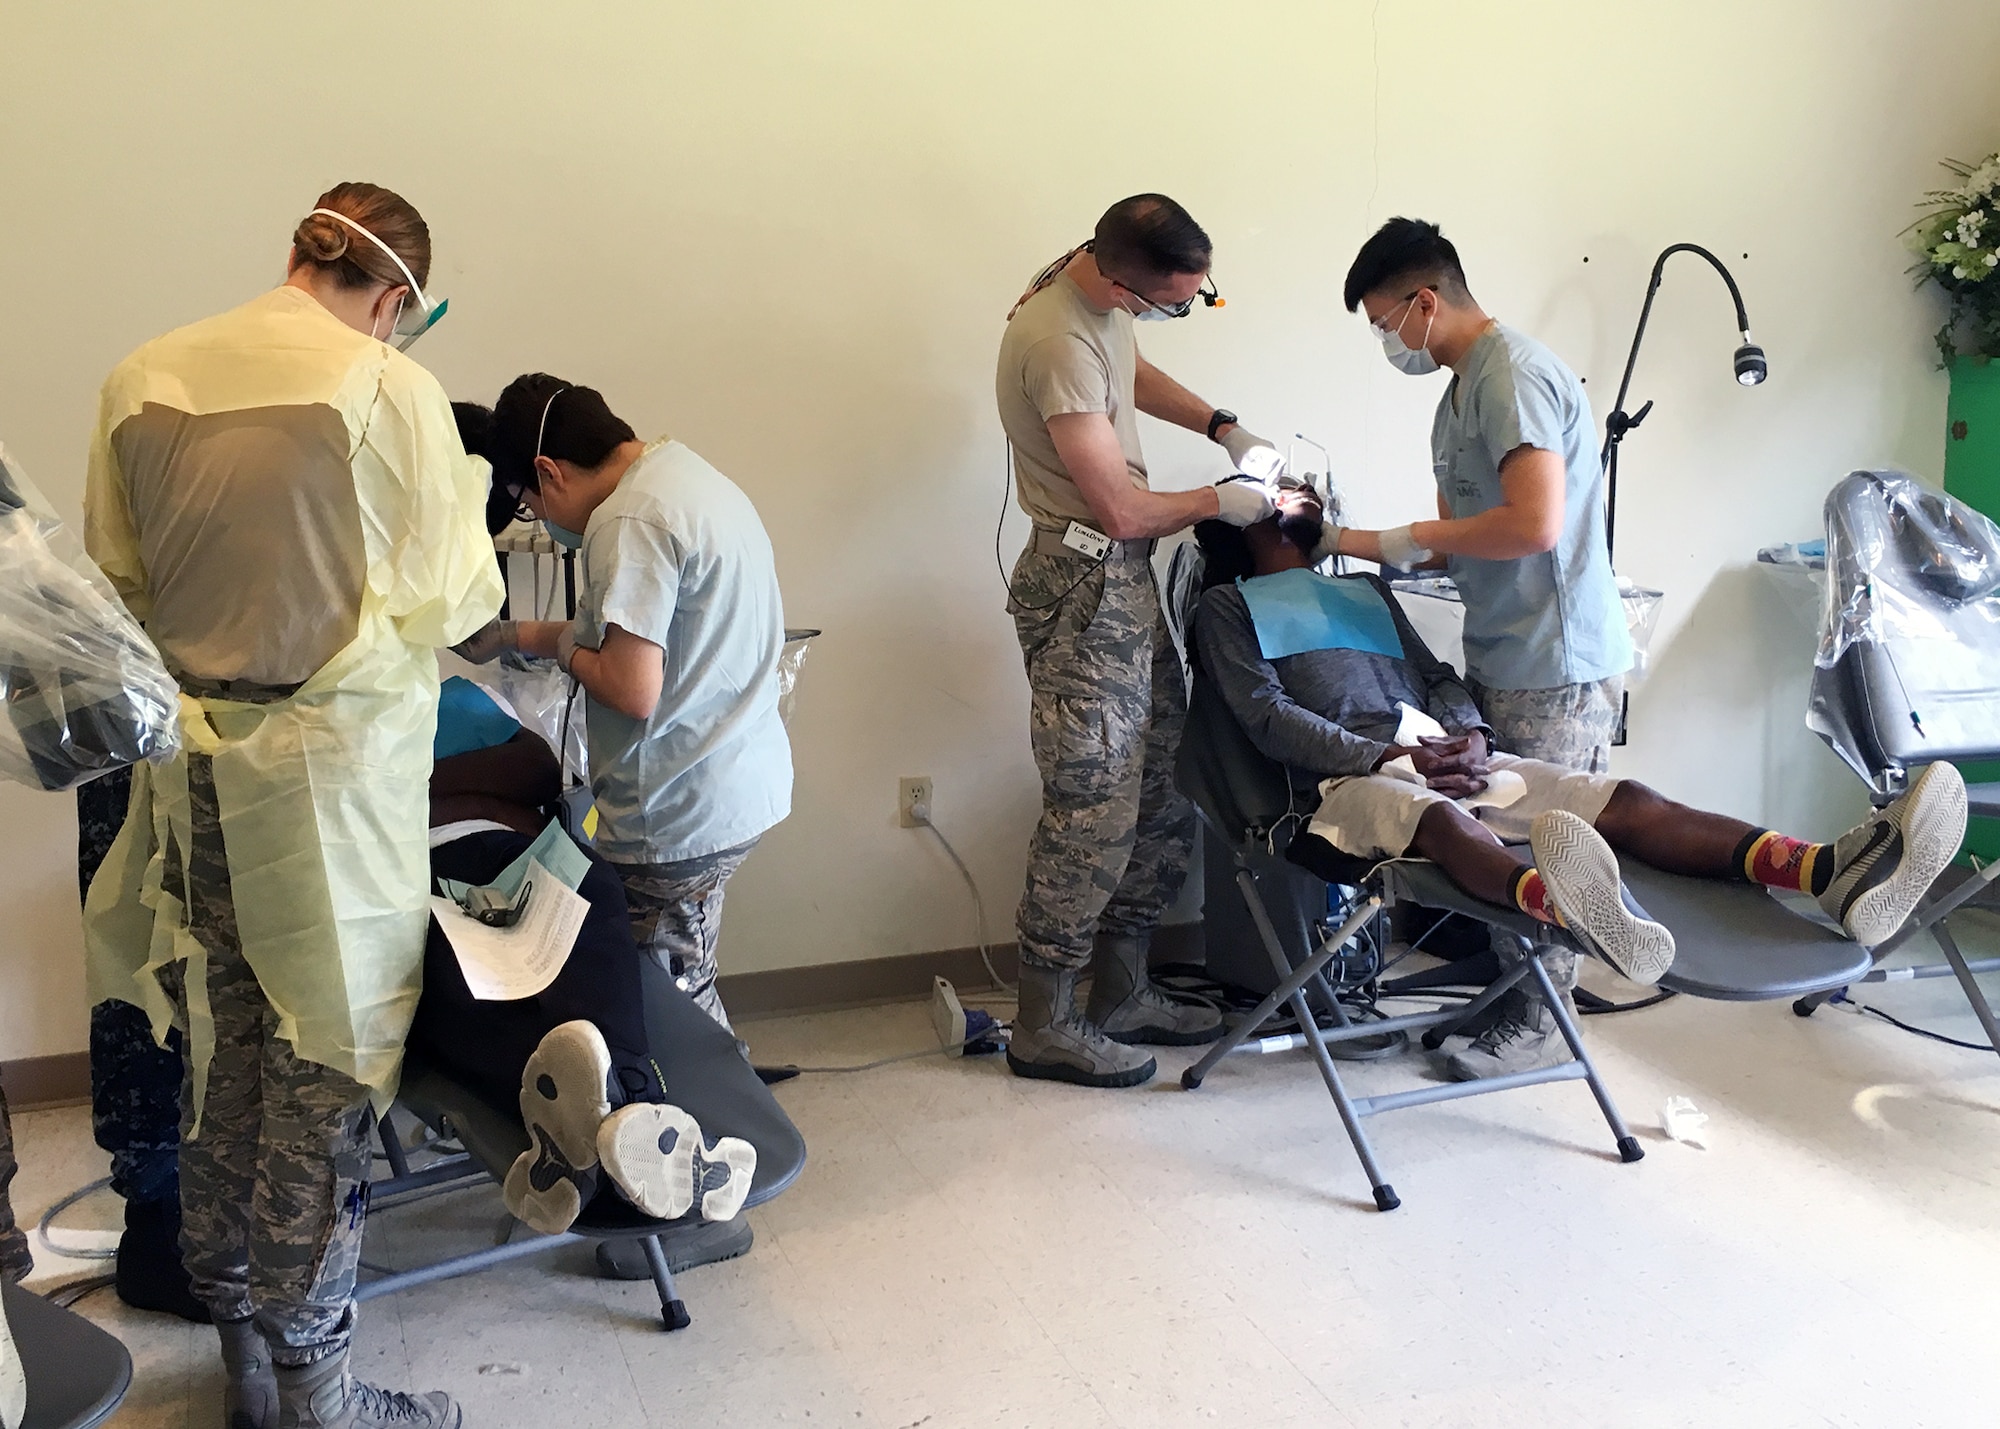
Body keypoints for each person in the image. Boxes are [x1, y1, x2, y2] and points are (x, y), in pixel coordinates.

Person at [82, 183, 502, 1429]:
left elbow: (115, 586)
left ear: (293, 254)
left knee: (224, 1062)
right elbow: (447, 599)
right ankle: (320, 1391)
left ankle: (245, 1366)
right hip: (332, 784)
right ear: (395, 301)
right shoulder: (392, 391)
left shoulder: (139, 376)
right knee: (324, 1072)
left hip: (195, 773)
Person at [1192, 489, 1968, 1077]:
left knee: (1614, 800)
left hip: (1449, 756)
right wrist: (1387, 762)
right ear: (1242, 523)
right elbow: (1264, 716)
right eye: (1268, 494)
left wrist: (1471, 734)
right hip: (1350, 783)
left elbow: (1437, 677)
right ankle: (1570, 907)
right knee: (1432, 819)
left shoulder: (1365, 590)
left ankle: (1824, 870)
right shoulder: (1227, 606)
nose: (1289, 493)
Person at [996, 193, 1289, 1089]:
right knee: (1093, 805)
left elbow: (1128, 370)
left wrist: (1219, 425)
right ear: (1121, 276)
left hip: (1122, 585)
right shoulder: (1053, 337)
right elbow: (1120, 508)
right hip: (1083, 584)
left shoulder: (1100, 297)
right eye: (1171, 299)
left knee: (1162, 783)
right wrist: (1217, 499)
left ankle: (1121, 989)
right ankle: (1044, 1019)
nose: (1173, 312)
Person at [451, 378, 791, 1035]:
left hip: (676, 808)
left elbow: (631, 688)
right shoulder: (684, 477)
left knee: (667, 1010)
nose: (539, 522)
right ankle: (715, 1115)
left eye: (527, 504)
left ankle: (712, 1129)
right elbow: (631, 640)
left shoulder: (625, 522)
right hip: (733, 776)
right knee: (682, 983)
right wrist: (518, 637)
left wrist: (569, 655)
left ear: (548, 471)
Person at [412, 676, 756, 1235]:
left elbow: (535, 771)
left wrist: (410, 785)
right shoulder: (327, 707)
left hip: (505, 850)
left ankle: (598, 1129)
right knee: (456, 975)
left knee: (592, 887)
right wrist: (453, 789)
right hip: (397, 875)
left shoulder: (454, 694)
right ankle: (629, 1120)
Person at [1334, 217, 1632, 774]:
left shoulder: (1513, 377)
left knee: (1550, 842)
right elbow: (1457, 546)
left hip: (1553, 668)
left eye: (1382, 325)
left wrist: (1413, 534)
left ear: (1425, 302)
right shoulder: (1458, 397)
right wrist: (1335, 539)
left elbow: (1534, 526)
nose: (1385, 341)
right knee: (1499, 839)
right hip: (1495, 662)